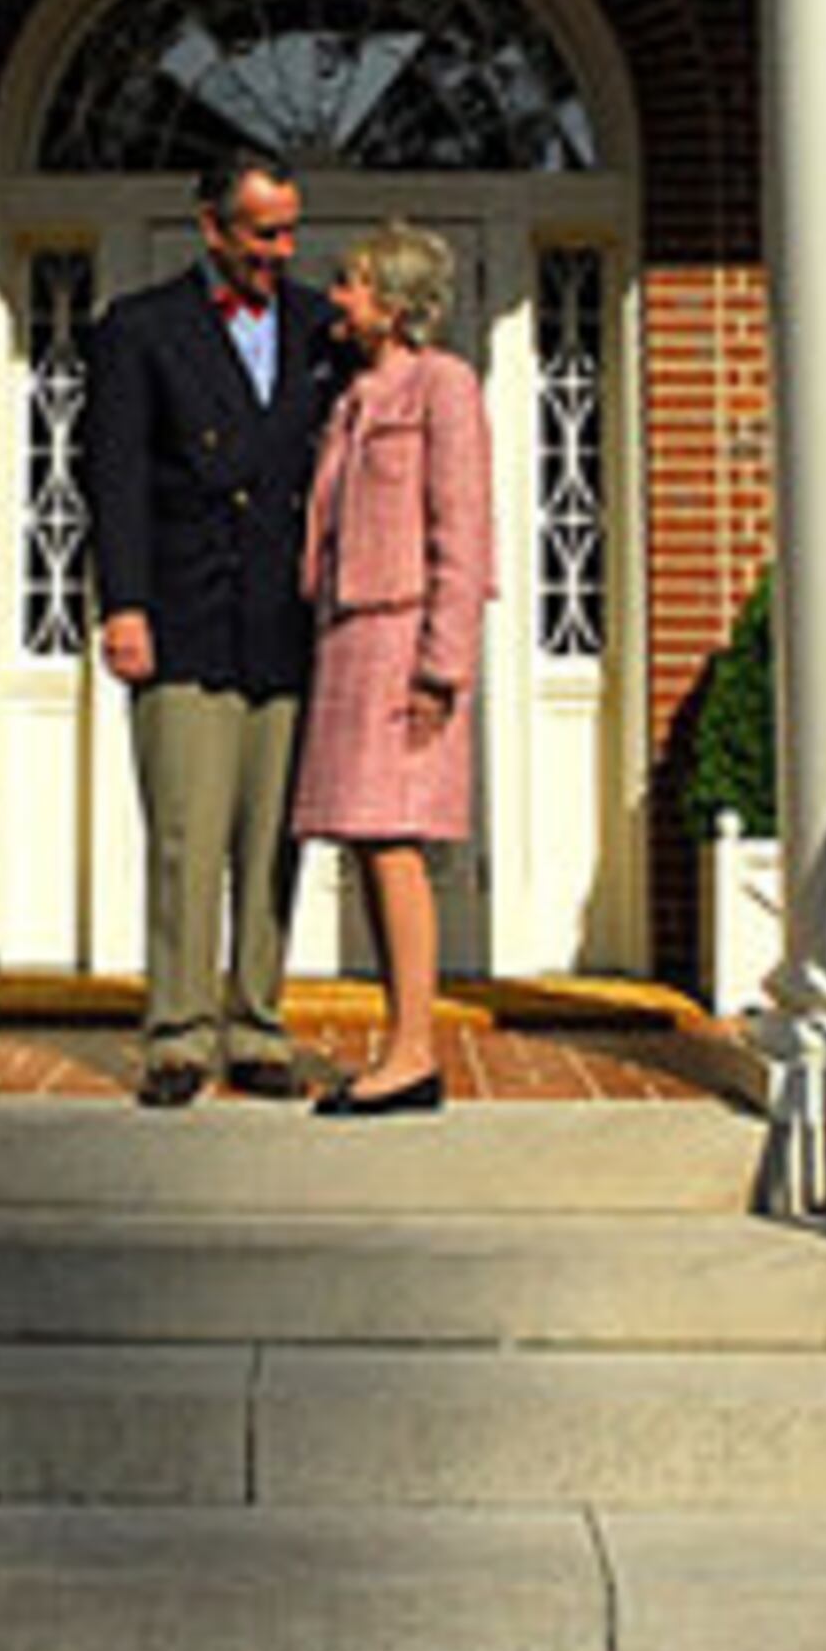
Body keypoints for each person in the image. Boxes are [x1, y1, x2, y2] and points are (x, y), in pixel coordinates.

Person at [84, 148, 346, 1107]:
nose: (281, 250)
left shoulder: (324, 326)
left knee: (273, 840)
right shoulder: (138, 329)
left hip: (287, 620)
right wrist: (124, 606)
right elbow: (111, 479)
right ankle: (179, 1036)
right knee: (186, 838)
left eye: (289, 231)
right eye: (263, 232)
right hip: (183, 614)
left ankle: (259, 1026)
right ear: (211, 226)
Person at [293, 220, 493, 1119]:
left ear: (399, 302)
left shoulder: (444, 387)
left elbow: (462, 530)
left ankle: (413, 1052)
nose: (339, 297)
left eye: (354, 283)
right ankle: (401, 1042)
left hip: (405, 639)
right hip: (347, 639)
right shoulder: (350, 395)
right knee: (368, 840)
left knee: (394, 840)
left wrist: (440, 667)